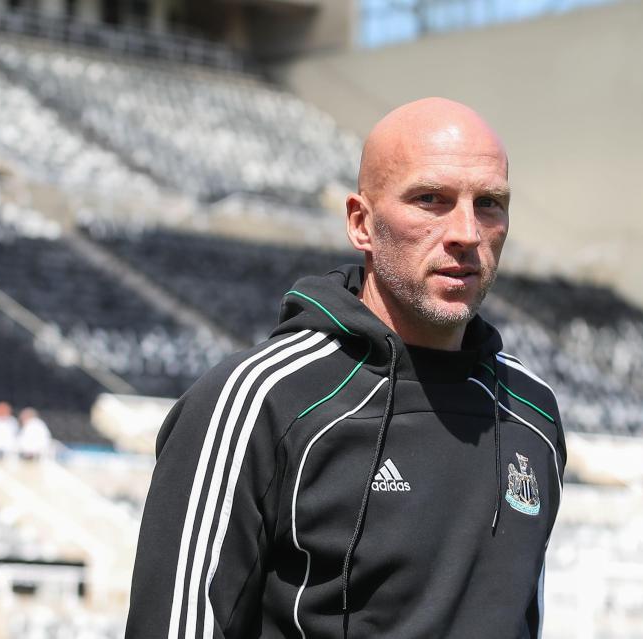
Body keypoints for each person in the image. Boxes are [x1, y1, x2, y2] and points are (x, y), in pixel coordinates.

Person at [126, 97, 566, 638]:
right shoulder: (257, 401)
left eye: (490, 204)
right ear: (361, 223)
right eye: (431, 199)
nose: (467, 233)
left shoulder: (531, 410)